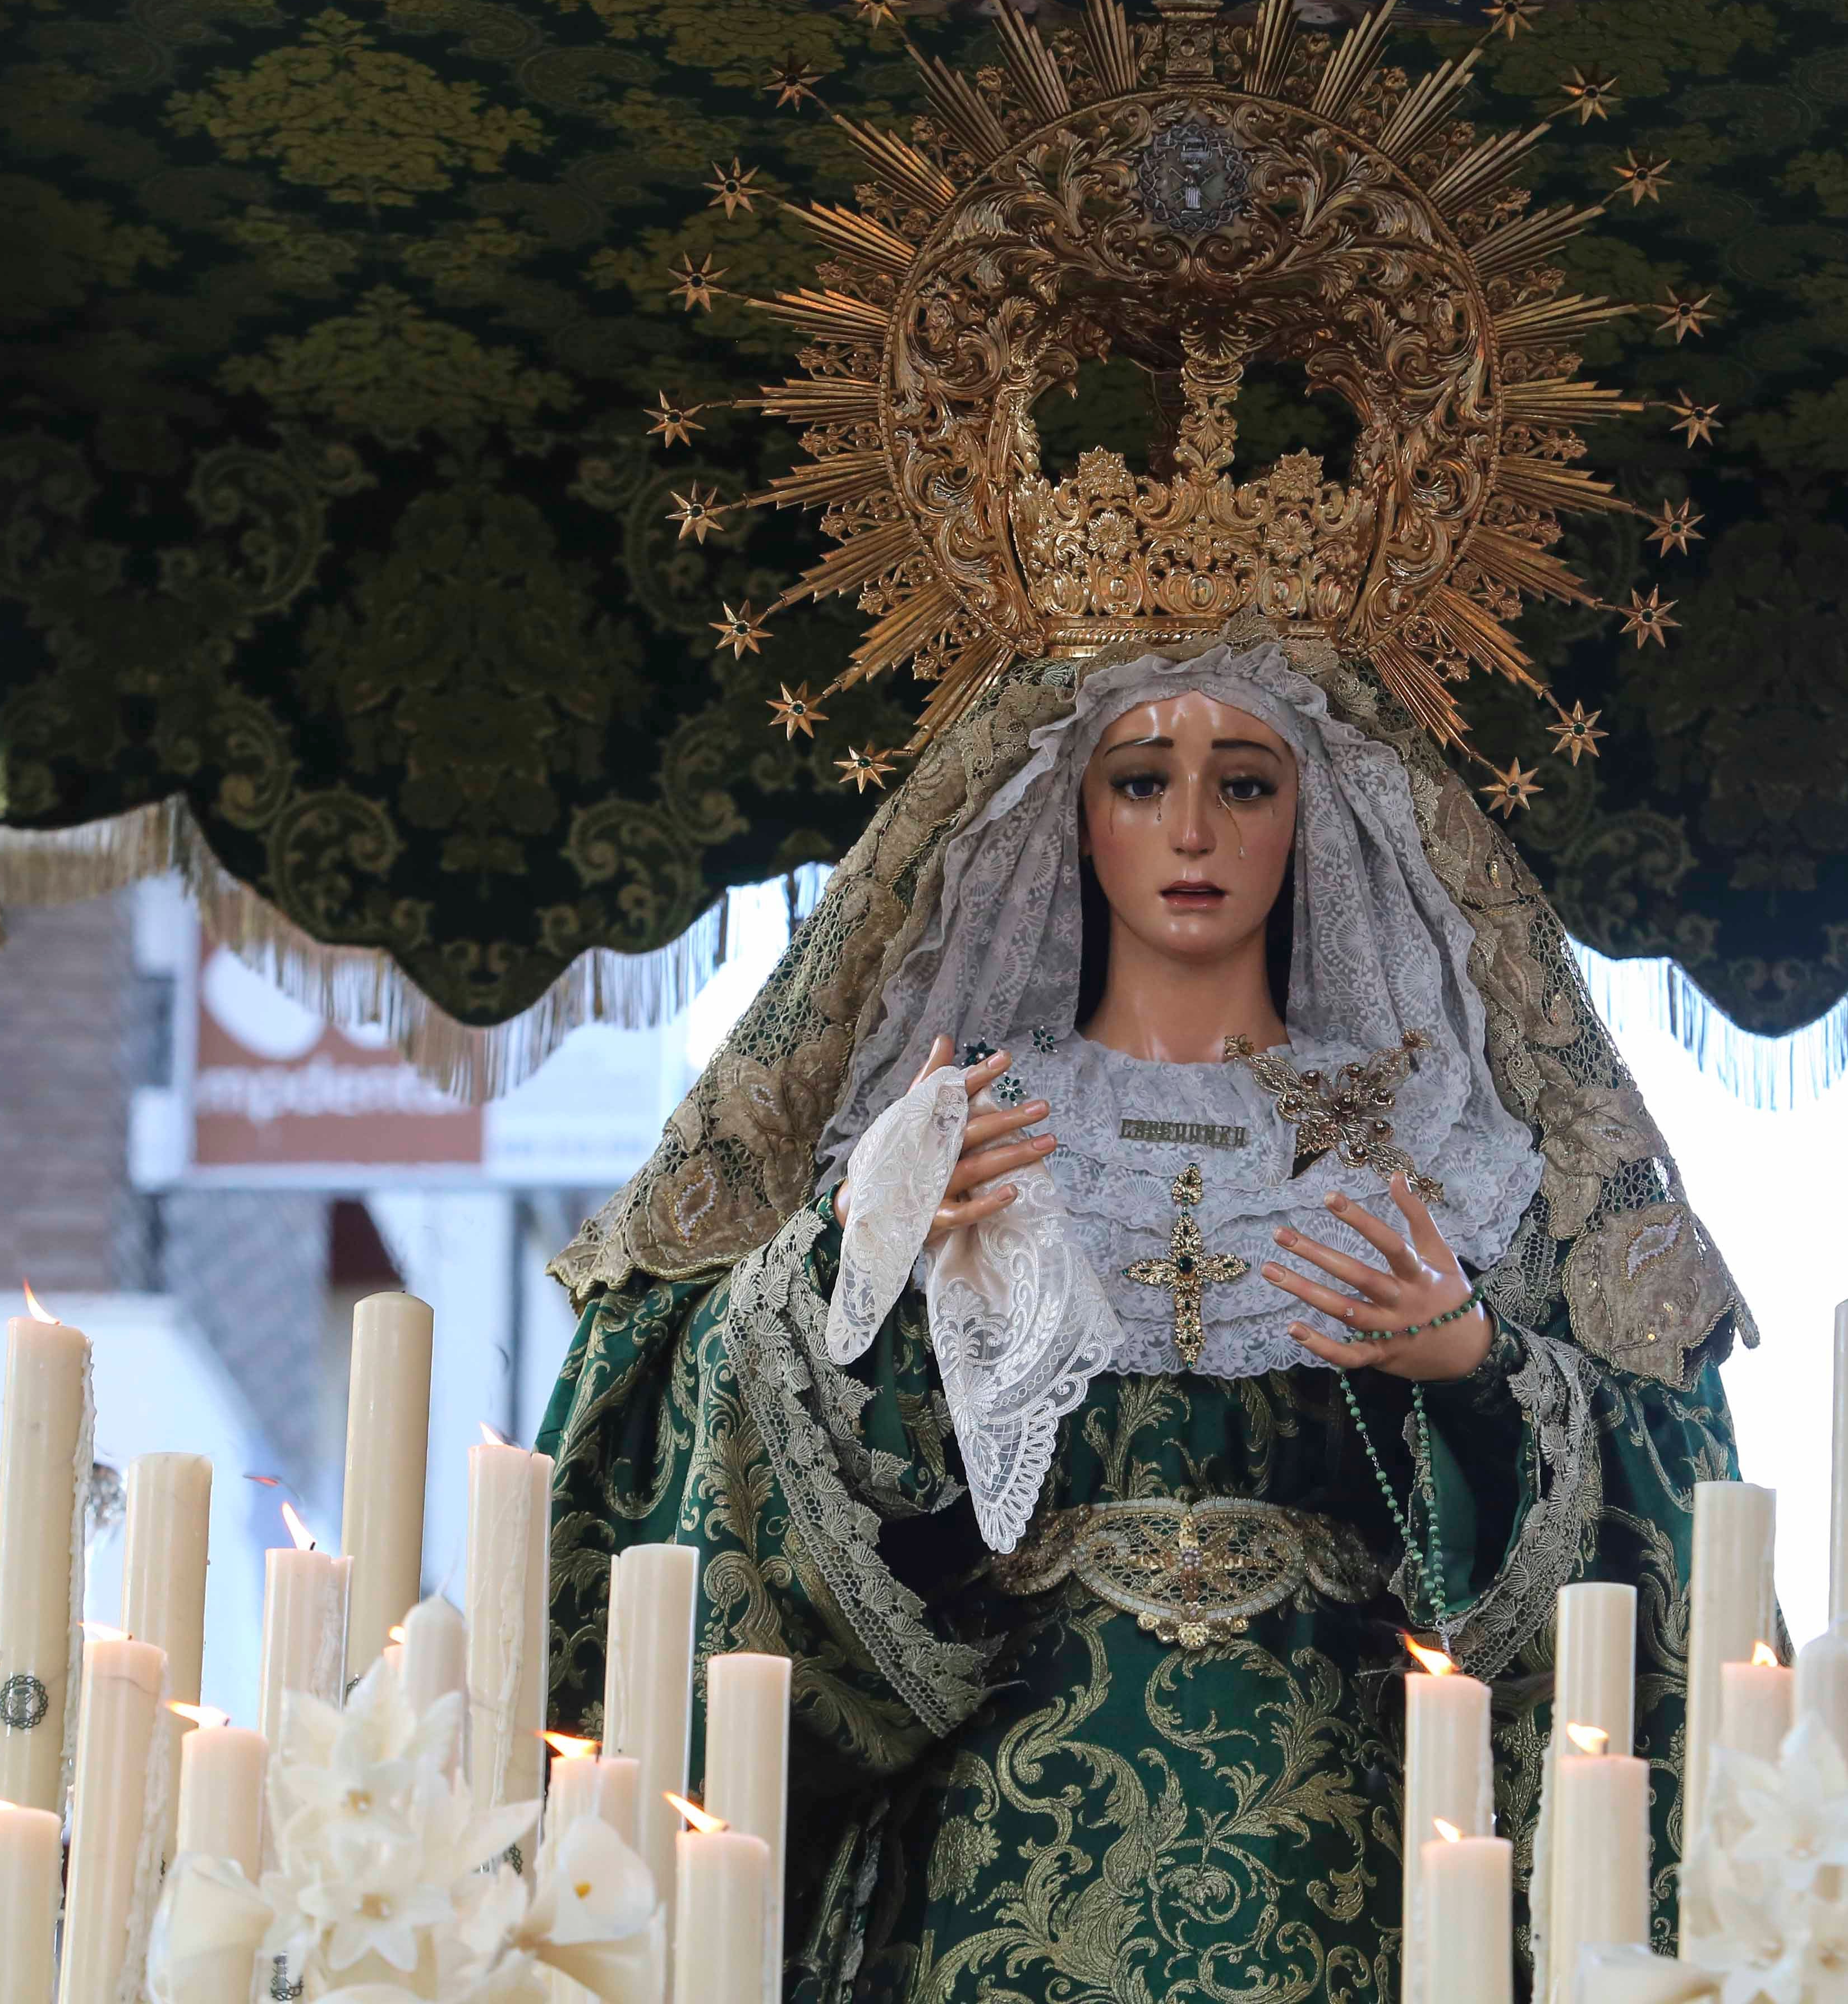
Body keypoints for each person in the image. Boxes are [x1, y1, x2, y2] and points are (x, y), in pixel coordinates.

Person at [539, 629, 1754, 2000]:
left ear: (1316, 817)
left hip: (1358, 1862)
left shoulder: (1439, 1152)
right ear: (1068, 814)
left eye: (1244, 784)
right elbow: (706, 1453)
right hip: (1000, 1847)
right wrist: (852, 1255)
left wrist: (1476, 1368)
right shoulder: (959, 1131)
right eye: (1138, 781)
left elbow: (1669, 1506)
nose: (1191, 829)